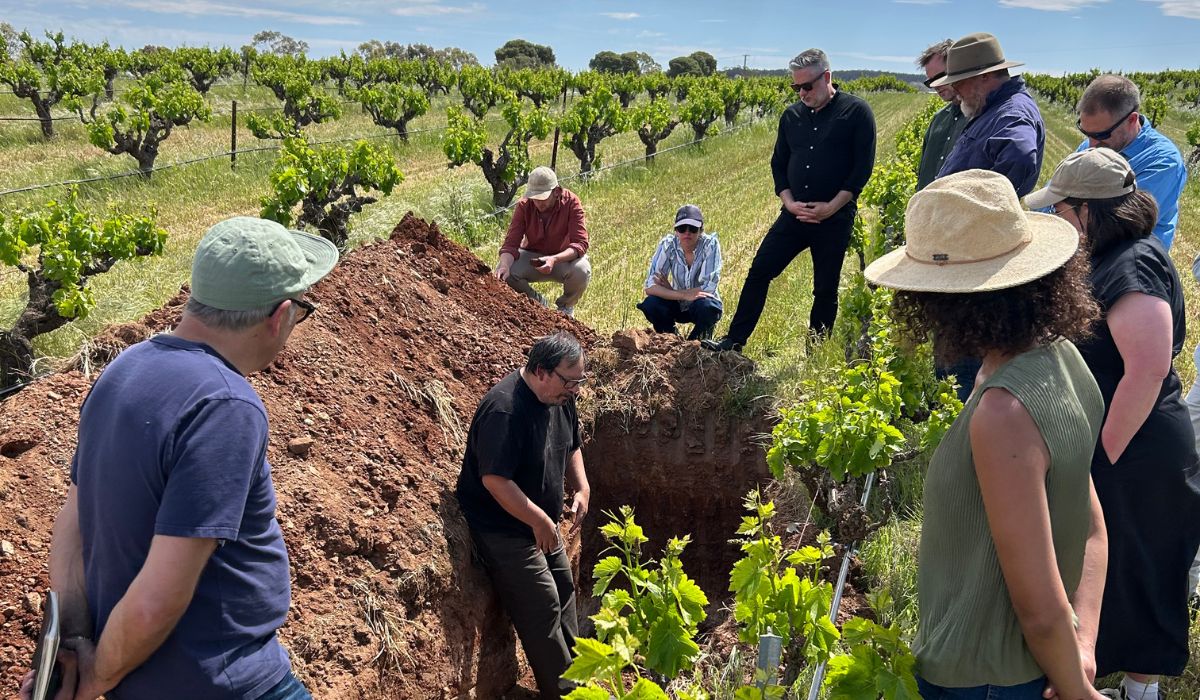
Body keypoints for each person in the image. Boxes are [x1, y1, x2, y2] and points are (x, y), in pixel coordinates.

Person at [21, 217, 338, 700]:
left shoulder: (122, 371)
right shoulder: (226, 407)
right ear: (281, 316)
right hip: (227, 683)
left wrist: (79, 644)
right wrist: (96, 679)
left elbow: (73, 524)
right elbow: (159, 596)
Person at [865, 169, 1109, 700]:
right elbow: (1091, 523)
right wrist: (1083, 642)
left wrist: (1079, 690)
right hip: (1032, 667)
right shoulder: (1063, 360)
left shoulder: (1004, 412)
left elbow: (1039, 611)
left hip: (982, 679)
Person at [1027, 148, 1200, 700]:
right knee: (1117, 564)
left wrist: (1101, 457)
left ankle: (1138, 688)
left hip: (1140, 448)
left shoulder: (1131, 265)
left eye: (1062, 210)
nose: (1057, 220)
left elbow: (1147, 369)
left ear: (1087, 211)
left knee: (1137, 564)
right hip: (1130, 441)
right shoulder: (1118, 254)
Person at [703, 48, 875, 353]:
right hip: (793, 214)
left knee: (825, 288)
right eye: (796, 87)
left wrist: (831, 207)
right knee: (759, 271)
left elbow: (861, 170)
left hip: (833, 217)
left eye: (807, 86)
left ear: (827, 77)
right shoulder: (791, 116)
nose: (802, 94)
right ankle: (734, 341)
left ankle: (815, 353)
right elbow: (778, 164)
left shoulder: (856, 112)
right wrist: (789, 202)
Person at [455, 331, 591, 699]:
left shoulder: (559, 398)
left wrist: (582, 487)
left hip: (538, 520)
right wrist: (539, 521)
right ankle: (563, 692)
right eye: (569, 381)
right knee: (542, 605)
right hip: (503, 526)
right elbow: (496, 482)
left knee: (564, 590)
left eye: (579, 382)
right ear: (541, 371)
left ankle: (578, 682)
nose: (575, 390)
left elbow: (572, 444)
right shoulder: (505, 409)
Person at [1075, 74, 1187, 249]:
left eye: (1101, 135)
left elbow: (1113, 228)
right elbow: (1054, 191)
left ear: (1132, 120)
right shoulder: (1092, 144)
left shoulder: (1164, 162)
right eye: (1086, 133)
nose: (1091, 145)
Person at [931, 32, 1046, 198]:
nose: (955, 92)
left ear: (984, 76)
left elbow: (1021, 158)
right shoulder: (992, 108)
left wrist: (982, 206)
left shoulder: (1012, 113)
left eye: (958, 83)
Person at [494, 166, 591, 318]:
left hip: (562, 259)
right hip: (533, 257)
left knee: (582, 270)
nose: (538, 203)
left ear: (556, 192)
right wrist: (505, 265)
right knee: (506, 270)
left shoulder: (571, 202)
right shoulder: (524, 205)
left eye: (543, 198)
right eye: (535, 198)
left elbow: (580, 244)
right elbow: (511, 244)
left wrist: (554, 259)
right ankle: (538, 305)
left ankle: (565, 308)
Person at [637, 204, 723, 341]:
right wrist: (682, 294)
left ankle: (698, 344)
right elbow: (650, 286)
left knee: (707, 307)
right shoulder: (667, 244)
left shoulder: (710, 245)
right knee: (651, 304)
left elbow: (709, 288)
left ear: (701, 230)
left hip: (701, 303)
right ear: (676, 230)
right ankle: (670, 341)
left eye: (693, 229)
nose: (687, 232)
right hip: (676, 301)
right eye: (682, 228)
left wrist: (670, 291)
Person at [916, 39, 967, 191]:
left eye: (940, 77)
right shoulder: (938, 119)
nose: (936, 86)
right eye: (930, 82)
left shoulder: (981, 121)